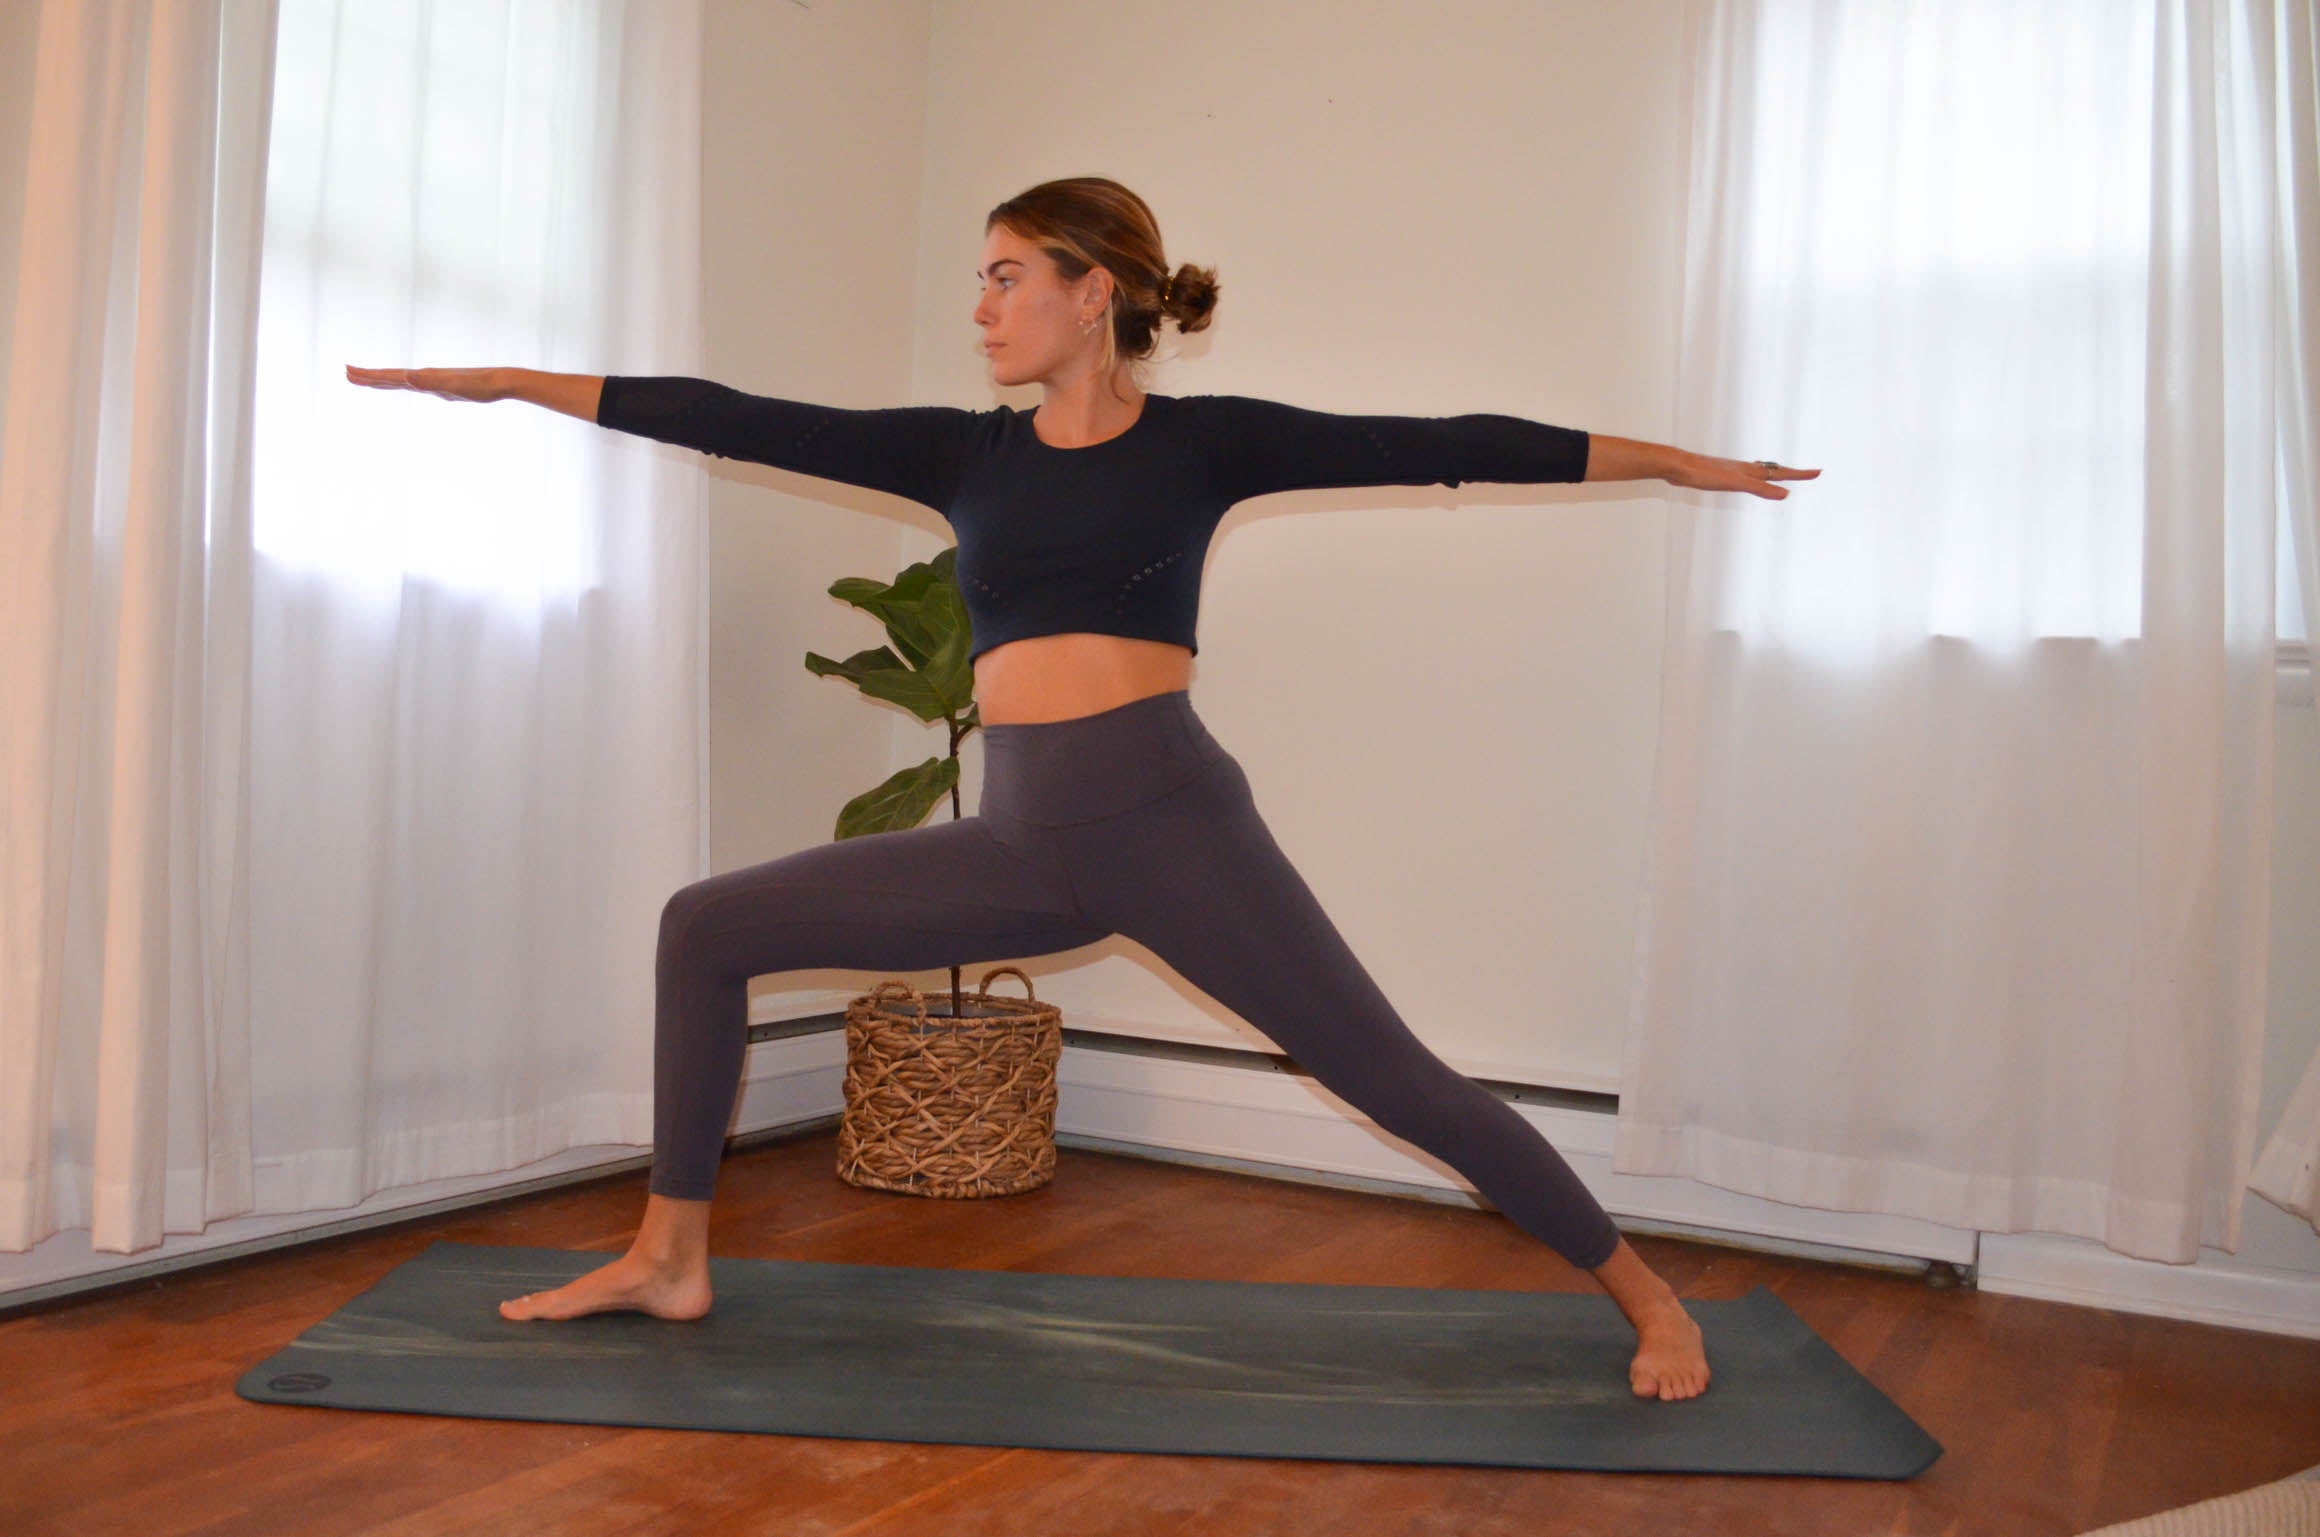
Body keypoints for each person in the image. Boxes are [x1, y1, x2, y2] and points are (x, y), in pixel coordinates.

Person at [347, 175, 1817, 1403]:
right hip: (1022, 835)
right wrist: (511, 384)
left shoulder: (1205, 443)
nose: (980, 308)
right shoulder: (959, 453)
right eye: (976, 283)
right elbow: (728, 411)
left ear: (1092, 290)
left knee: (1397, 1082)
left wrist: (1680, 463)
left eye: (1004, 278)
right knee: (701, 922)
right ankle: (671, 1252)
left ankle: (1648, 1298)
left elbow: (1449, 451)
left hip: (1175, 824)